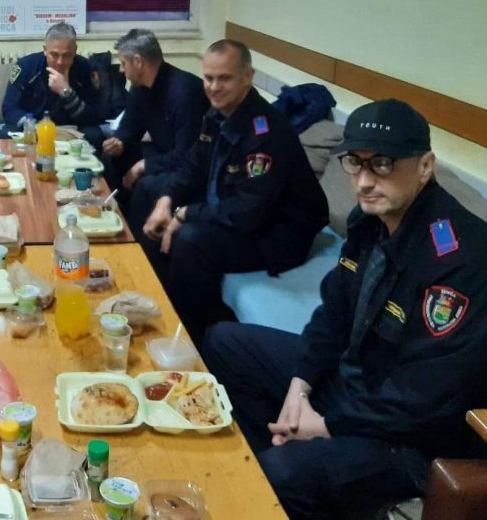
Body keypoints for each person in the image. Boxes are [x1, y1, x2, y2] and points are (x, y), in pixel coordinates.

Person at [203, 99, 487, 519]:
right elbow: (332, 315)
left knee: (283, 473)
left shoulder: (459, 259)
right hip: (353, 384)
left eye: (383, 164)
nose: (365, 182)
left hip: (410, 435)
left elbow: (423, 396)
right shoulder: (369, 220)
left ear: (425, 166)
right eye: (355, 162)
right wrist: (299, 388)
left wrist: (324, 425)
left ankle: (288, 480)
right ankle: (273, 468)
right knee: (224, 342)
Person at [141, 39, 328, 339]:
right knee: (155, 201)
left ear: (247, 77)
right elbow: (193, 165)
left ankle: (189, 337)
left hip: (277, 232)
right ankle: (155, 301)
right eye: (208, 78)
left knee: (190, 240)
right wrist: (167, 201)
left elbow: (248, 210)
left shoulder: (266, 133)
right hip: (237, 209)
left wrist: (186, 213)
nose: (214, 87)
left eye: (224, 78)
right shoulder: (216, 114)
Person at [100, 29, 208, 229]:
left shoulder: (183, 93)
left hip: (190, 167)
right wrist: (119, 142)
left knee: (145, 185)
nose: (121, 70)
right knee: (112, 157)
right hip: (164, 154)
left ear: (138, 61)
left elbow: (187, 154)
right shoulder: (139, 87)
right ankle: (117, 217)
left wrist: (144, 165)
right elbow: (129, 128)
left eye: (123, 63)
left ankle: (136, 237)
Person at [1, 22, 105, 148]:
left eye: (66, 55)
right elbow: (9, 108)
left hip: (72, 127)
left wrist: (66, 92)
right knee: (5, 134)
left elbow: (94, 114)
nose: (60, 62)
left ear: (74, 51)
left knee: (95, 136)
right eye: (54, 55)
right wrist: (33, 126)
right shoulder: (25, 67)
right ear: (45, 50)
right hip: (34, 126)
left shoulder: (86, 68)